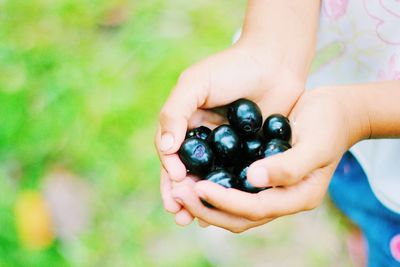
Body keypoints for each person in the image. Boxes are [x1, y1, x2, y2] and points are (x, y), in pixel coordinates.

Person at [154, 1, 400, 266]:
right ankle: (361, 228)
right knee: (349, 194)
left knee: (381, 235)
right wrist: (272, 46)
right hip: (329, 130)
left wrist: (359, 115)